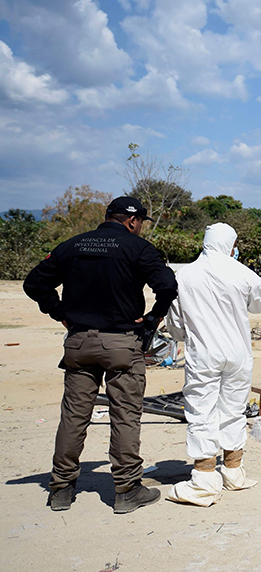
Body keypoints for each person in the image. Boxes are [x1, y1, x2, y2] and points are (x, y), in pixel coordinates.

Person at [23, 196, 177, 513]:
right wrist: (153, 317)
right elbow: (167, 286)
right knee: (125, 416)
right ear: (132, 221)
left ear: (108, 217)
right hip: (122, 343)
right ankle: (126, 490)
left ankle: (62, 489)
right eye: (140, 224)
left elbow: (34, 283)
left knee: (74, 417)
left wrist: (59, 312)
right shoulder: (138, 248)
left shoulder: (72, 245)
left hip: (78, 343)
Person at [165, 223, 261, 506]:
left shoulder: (183, 275)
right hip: (238, 353)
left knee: (201, 412)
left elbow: (175, 326)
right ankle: (234, 472)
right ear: (231, 244)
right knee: (234, 410)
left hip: (203, 353)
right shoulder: (241, 273)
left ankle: (203, 480)